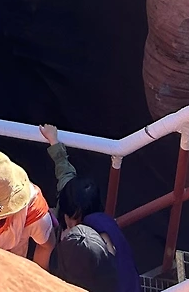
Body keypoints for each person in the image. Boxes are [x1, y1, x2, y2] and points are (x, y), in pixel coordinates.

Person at [42, 125, 138, 292]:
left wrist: (65, 242)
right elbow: (65, 172)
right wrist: (53, 141)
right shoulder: (97, 217)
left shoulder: (94, 248)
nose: (70, 222)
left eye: (73, 218)